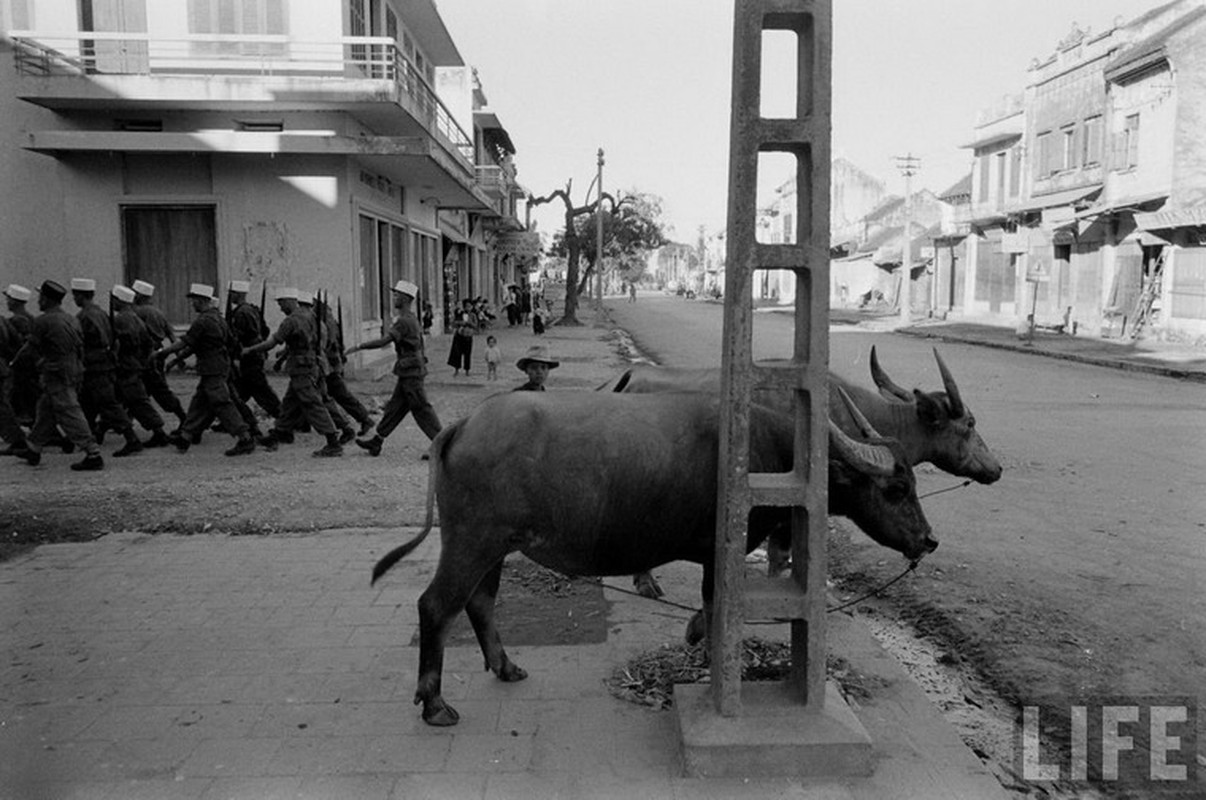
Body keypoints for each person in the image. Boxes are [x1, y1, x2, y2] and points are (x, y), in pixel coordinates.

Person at [153, 283, 256, 457]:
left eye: (194, 301)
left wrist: (162, 353)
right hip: (218, 367)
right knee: (199, 403)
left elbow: (186, 342)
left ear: (201, 301)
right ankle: (185, 437)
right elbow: (231, 342)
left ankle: (245, 437)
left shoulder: (203, 321)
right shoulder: (218, 318)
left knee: (222, 403)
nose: (192, 304)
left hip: (212, 368)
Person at [12, 280, 104, 470]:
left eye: (40, 297)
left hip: (57, 372)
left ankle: (92, 452)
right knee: (46, 410)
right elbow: (79, 346)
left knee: (69, 411)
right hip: (74, 369)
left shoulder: (43, 321)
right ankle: (33, 448)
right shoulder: (71, 318)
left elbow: (30, 348)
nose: (38, 301)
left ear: (46, 299)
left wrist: (14, 363)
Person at [346, 280, 442, 458]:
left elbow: (384, 341)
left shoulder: (404, 322)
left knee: (421, 409)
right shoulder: (411, 318)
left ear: (406, 298)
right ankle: (377, 441)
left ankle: (443, 444)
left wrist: (359, 346)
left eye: (397, 295)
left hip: (411, 371)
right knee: (395, 407)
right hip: (410, 370)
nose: (394, 298)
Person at [243, 287, 342, 457]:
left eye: (281, 303)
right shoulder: (312, 316)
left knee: (312, 403)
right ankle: (280, 433)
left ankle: (333, 441)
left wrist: (250, 350)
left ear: (289, 301)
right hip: (314, 365)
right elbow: (322, 338)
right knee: (289, 403)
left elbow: (272, 343)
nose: (280, 307)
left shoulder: (291, 321)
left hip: (301, 368)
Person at [72, 278, 143, 457]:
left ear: (81, 296)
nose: (74, 299)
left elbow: (89, 341)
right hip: (102, 365)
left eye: (75, 295)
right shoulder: (100, 313)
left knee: (109, 404)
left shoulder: (85, 316)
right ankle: (87, 437)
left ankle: (131, 438)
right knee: (87, 404)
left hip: (95, 366)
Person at [109, 285, 169, 448]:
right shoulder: (135, 318)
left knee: (134, 401)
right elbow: (148, 344)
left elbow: (118, 343)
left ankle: (153, 434)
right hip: (135, 364)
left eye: (114, 300)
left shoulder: (121, 319)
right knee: (125, 400)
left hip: (125, 365)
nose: (113, 303)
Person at [131, 279, 188, 428]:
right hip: (157, 355)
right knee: (144, 390)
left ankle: (182, 417)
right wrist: (178, 356)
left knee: (154, 389)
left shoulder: (137, 312)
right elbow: (172, 335)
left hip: (145, 356)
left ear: (138, 296)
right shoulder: (158, 312)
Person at [318, 294, 374, 436]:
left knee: (339, 394)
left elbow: (328, 343)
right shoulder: (327, 318)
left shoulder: (326, 321)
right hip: (331, 363)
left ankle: (362, 419)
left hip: (330, 364)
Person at [226, 279, 281, 419]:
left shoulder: (240, 313)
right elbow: (265, 330)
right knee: (239, 390)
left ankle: (283, 418)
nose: (230, 296)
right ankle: (233, 418)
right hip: (254, 354)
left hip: (248, 355)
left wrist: (236, 356)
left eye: (232, 293)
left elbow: (237, 337)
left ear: (238, 294)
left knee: (260, 390)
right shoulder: (252, 310)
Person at [5, 283, 38, 426]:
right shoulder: (31, 318)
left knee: (18, 395)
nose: (7, 302)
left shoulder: (17, 320)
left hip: (19, 365)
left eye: (8, 299)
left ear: (14, 301)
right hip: (30, 365)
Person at [446, 298, 476, 376]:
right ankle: (456, 370)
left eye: (470, 306)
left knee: (467, 354)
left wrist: (469, 323)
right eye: (466, 306)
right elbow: (454, 322)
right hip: (459, 335)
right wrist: (461, 322)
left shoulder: (473, 315)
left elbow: (475, 325)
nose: (468, 308)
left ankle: (467, 370)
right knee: (457, 353)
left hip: (468, 336)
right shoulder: (459, 314)